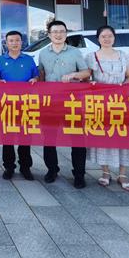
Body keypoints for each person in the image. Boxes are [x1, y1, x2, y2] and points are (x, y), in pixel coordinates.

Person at [85, 25, 129, 191]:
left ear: (114, 38)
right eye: (103, 36)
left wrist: (124, 86)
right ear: (98, 39)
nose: (107, 39)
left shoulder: (123, 55)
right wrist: (92, 84)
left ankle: (123, 174)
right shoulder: (91, 57)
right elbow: (87, 78)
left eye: (110, 36)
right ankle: (105, 172)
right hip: (101, 103)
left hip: (121, 102)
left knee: (124, 136)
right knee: (103, 136)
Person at [38, 21, 91, 188]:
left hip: (72, 101)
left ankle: (79, 174)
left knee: (77, 138)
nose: (58, 35)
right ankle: (52, 170)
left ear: (66, 34)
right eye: (55, 32)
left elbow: (86, 73)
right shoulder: (43, 53)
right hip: (50, 102)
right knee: (49, 138)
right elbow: (42, 75)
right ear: (49, 35)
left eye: (62, 31)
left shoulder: (75, 52)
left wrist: (75, 75)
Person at [0, 30, 39, 180]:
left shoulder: (28, 60)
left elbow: (36, 76)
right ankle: (9, 167)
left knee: (25, 138)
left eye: (17, 40)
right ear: (6, 43)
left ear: (21, 42)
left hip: (25, 104)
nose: (14, 43)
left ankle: (25, 167)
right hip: (6, 105)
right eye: (11, 41)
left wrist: (35, 80)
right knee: (7, 138)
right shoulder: (0, 60)